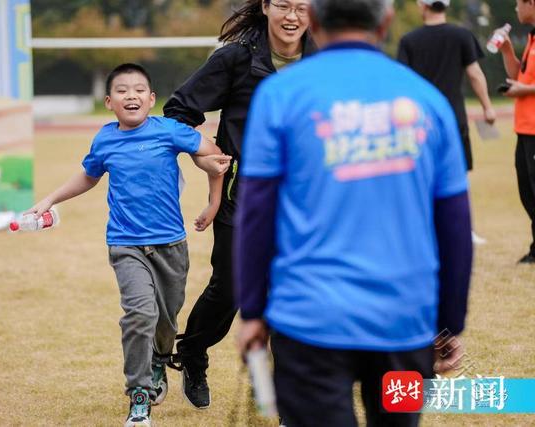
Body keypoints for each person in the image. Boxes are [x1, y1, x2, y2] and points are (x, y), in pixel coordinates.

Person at [234, 0, 473, 425]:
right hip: (405, 326)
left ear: (315, 21)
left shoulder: (281, 95)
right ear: (385, 22)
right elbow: (454, 222)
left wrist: (253, 310)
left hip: (309, 324)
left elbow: (256, 214)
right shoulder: (426, 100)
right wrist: (449, 320)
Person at [27, 63, 228, 427]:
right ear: (108, 101)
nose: (130, 95)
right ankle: (139, 395)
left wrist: (213, 200)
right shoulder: (105, 139)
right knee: (140, 315)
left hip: (171, 245)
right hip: (126, 245)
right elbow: (88, 176)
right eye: (122, 90)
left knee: (166, 323)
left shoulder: (169, 130)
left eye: (139, 90)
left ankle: (160, 359)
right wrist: (50, 200)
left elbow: (213, 156)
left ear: (152, 99)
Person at [162, 0, 315, 409]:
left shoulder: (327, 59)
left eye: (302, 6)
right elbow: (179, 110)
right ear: (265, 7)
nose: (292, 16)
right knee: (230, 288)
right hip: (242, 197)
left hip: (306, 203)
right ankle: (192, 352)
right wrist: (202, 151)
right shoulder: (236, 59)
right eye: (283, 4)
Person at [397, 0, 496, 245]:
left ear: (423, 6)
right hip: (453, 116)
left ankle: (421, 229)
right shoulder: (462, 35)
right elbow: (475, 74)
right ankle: (463, 229)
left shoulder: (409, 40)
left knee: (420, 173)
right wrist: (488, 107)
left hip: (419, 119)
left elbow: (402, 82)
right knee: (457, 173)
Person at [494, 0, 535, 263]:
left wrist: (525, 91)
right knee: (527, 191)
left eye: (519, 3)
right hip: (524, 127)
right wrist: (507, 51)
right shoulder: (532, 38)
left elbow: (526, 87)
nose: (516, 9)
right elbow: (519, 76)